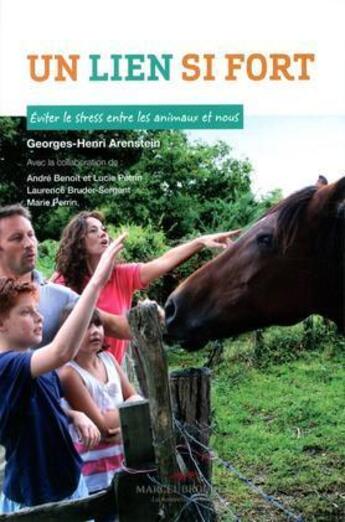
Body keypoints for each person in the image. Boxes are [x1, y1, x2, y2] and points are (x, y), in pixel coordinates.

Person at [0, 237, 123, 512]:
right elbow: (61, 352)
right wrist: (96, 282)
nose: (40, 317)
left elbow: (45, 404)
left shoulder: (33, 365)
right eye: (26, 312)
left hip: (71, 486)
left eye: (37, 310)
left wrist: (73, 414)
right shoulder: (6, 368)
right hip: (36, 502)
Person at [52, 210, 241, 363]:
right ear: (78, 242)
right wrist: (150, 317)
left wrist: (200, 242)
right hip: (75, 374)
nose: (103, 233)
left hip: (111, 371)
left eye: (103, 228)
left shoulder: (121, 275)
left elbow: (165, 261)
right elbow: (117, 327)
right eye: (93, 230)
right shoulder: (64, 282)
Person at [58, 305, 142, 498]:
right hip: (92, 475)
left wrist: (124, 422)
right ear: (69, 333)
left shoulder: (109, 359)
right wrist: (129, 418)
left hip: (121, 465)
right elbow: (103, 427)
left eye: (98, 324)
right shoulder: (69, 374)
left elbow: (136, 400)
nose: (95, 331)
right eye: (86, 326)